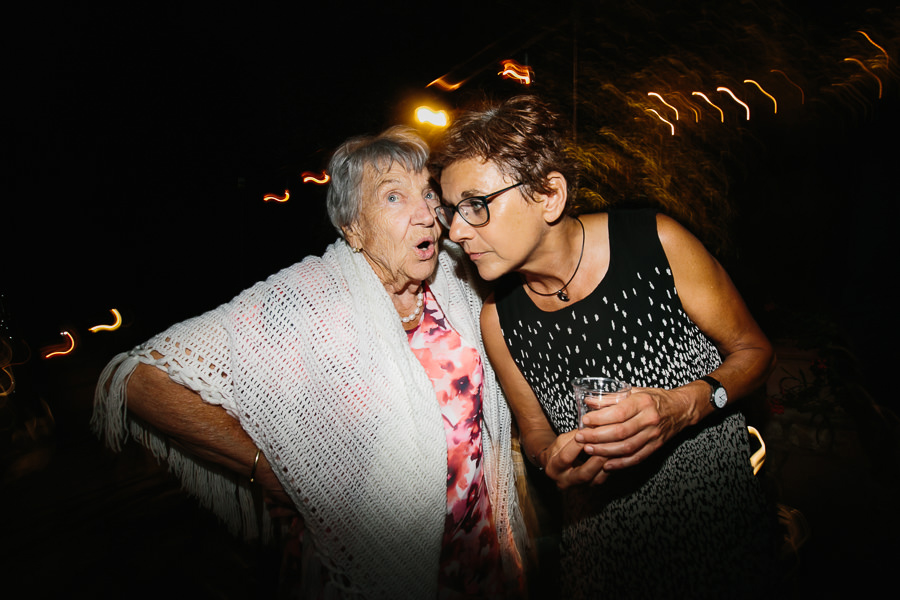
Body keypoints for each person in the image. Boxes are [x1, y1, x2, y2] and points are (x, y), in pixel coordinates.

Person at [92, 126, 526, 599]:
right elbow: (141, 380)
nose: (426, 215)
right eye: (394, 198)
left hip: (476, 548)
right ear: (353, 227)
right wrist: (269, 472)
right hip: (364, 560)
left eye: (427, 193)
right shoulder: (304, 301)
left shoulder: (457, 278)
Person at [428, 95, 776, 598]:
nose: (457, 233)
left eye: (477, 206)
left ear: (549, 194)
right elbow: (538, 439)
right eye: (453, 212)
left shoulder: (655, 243)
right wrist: (558, 462)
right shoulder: (500, 321)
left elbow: (756, 353)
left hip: (719, 521)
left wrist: (685, 404)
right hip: (602, 551)